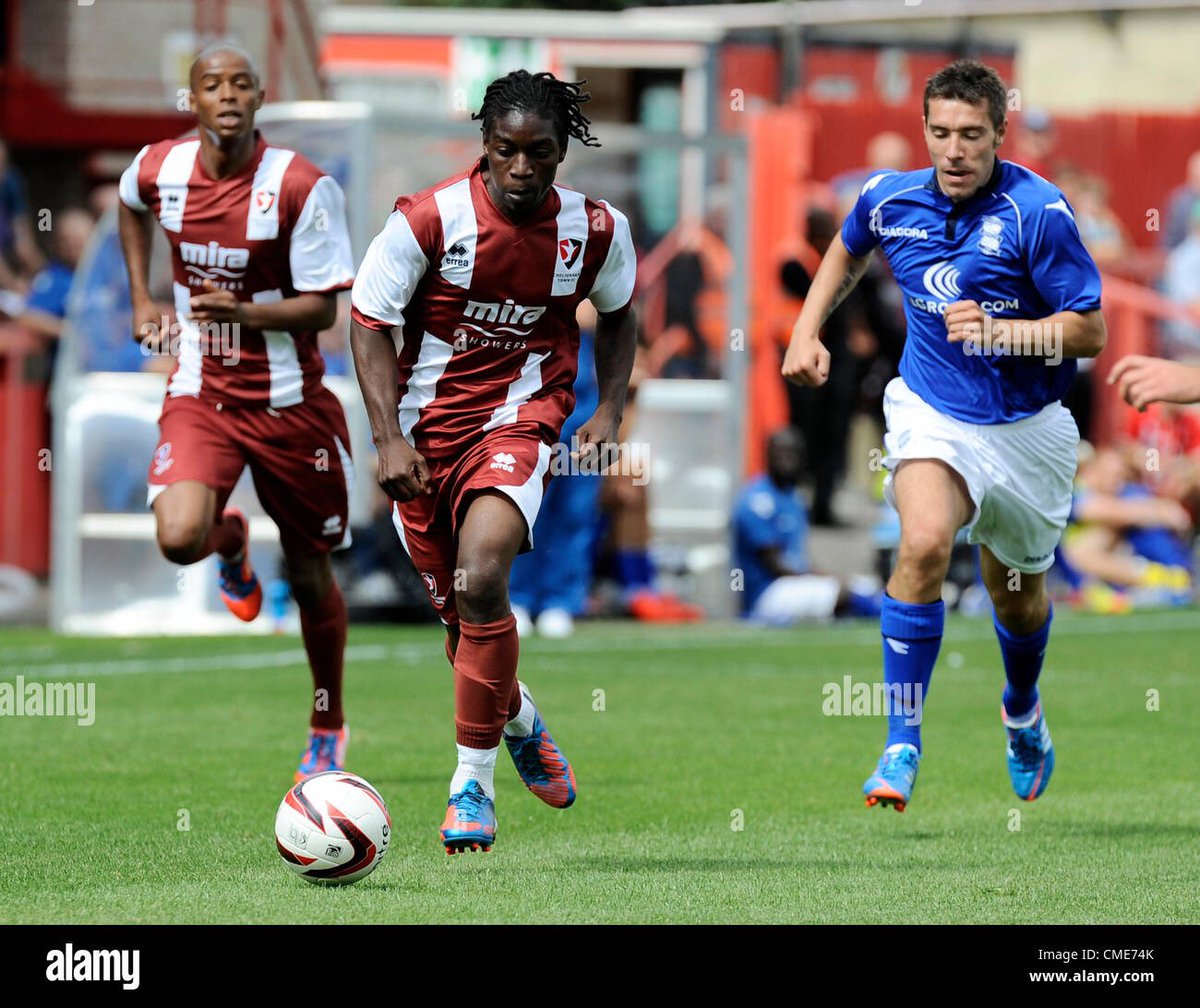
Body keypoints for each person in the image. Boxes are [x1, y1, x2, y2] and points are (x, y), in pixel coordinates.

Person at [783, 59, 1106, 812]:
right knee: (923, 541)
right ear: (923, 132)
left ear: (999, 133)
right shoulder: (889, 197)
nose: (954, 149)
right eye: (940, 133)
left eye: (971, 134)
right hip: (933, 412)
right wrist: (807, 330)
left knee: (1017, 599)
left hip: (1030, 431)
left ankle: (1021, 707)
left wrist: (1006, 333)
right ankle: (902, 740)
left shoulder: (1040, 211)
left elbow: (1088, 330)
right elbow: (848, 246)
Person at [349, 70, 638, 854]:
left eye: (539, 153)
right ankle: (520, 718)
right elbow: (369, 322)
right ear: (484, 146)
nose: (521, 168)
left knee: (482, 577)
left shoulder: (597, 231)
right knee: (463, 620)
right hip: (422, 435)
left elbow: (619, 316)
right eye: (505, 150)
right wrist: (387, 438)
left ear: (561, 153)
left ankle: (470, 787)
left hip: (520, 422)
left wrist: (609, 408)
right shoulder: (425, 221)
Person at [117, 43, 357, 782]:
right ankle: (227, 542)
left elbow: (323, 310)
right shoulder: (160, 168)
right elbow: (129, 204)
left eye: (241, 84)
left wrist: (248, 316)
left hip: (290, 403)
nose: (227, 96)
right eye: (211, 85)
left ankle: (328, 723)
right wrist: (143, 296)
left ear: (260, 99)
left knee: (310, 571)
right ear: (191, 101)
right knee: (178, 537)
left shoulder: (300, 186)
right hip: (204, 392)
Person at [733, 427, 882, 624]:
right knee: (841, 592)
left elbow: (798, 560)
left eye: (794, 453)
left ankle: (867, 615)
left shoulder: (795, 498)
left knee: (866, 585)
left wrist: (827, 576)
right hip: (767, 591)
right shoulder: (757, 500)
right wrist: (826, 578)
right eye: (781, 452)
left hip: (795, 583)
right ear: (767, 454)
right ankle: (886, 619)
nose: (788, 459)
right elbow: (777, 566)